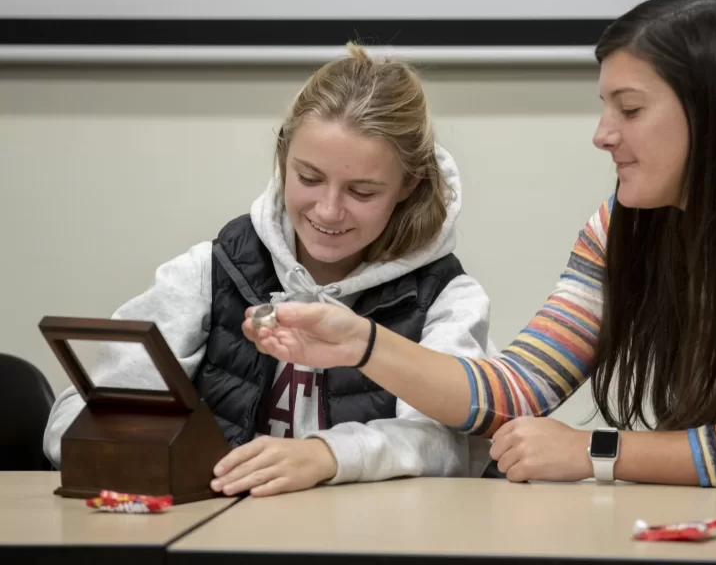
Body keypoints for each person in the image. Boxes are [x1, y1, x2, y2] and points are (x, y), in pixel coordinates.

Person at [243, 0, 716, 488]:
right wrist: (359, 342)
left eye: (630, 108)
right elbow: (514, 389)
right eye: (605, 106)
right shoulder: (623, 225)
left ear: (714, 109)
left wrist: (594, 452)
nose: (603, 133)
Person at [43, 44, 493, 497]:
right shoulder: (213, 270)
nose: (329, 210)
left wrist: (327, 455)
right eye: (310, 178)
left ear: (407, 186)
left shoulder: (446, 299)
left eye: (362, 191)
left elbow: (453, 445)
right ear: (283, 159)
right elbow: (76, 418)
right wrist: (159, 456)